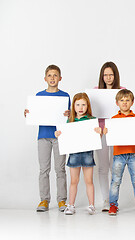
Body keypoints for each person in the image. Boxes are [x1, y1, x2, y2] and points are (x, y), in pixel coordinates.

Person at [24, 64, 70, 212]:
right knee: (44, 169)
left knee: (60, 169)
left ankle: (62, 200)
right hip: (43, 136)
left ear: (60, 78)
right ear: (45, 78)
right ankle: (44, 200)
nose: (52, 78)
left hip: (60, 137)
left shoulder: (65, 96)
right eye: (49, 75)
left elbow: (71, 117)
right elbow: (36, 114)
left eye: (55, 75)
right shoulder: (39, 96)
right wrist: (29, 114)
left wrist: (69, 116)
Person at [105, 89, 135, 216]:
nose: (124, 103)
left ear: (132, 102)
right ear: (117, 103)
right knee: (115, 181)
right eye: (122, 100)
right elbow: (107, 134)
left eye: (127, 100)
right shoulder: (113, 119)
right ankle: (113, 205)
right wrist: (106, 131)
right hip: (118, 155)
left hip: (133, 154)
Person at [55, 93, 101, 215]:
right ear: (73, 106)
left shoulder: (91, 120)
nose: (81, 107)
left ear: (87, 106)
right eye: (78, 105)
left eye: (83, 105)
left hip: (87, 154)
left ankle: (92, 205)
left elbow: (97, 137)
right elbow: (65, 136)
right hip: (74, 154)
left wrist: (99, 132)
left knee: (88, 180)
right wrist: (59, 134)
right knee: (74, 181)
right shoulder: (70, 121)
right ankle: (71, 205)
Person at [95, 62, 125, 211]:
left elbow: (126, 109)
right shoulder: (95, 92)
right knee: (103, 168)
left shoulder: (122, 91)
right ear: (102, 76)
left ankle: (114, 200)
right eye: (105, 75)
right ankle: (106, 199)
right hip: (101, 132)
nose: (108, 78)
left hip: (117, 132)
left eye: (111, 75)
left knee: (116, 167)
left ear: (115, 76)